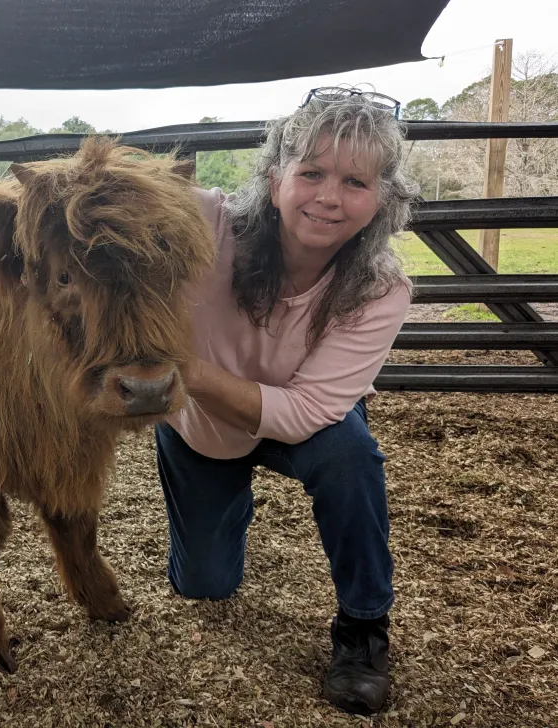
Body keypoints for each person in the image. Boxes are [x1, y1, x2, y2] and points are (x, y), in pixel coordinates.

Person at [159, 86, 418, 715]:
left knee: (348, 456)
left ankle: (363, 626)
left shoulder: (379, 288)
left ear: (380, 199)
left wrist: (184, 369)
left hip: (299, 420)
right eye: (311, 172)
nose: (329, 196)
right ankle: (226, 499)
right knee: (203, 586)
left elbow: (305, 413)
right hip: (201, 424)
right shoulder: (207, 223)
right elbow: (123, 199)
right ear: (275, 180)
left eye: (355, 181)